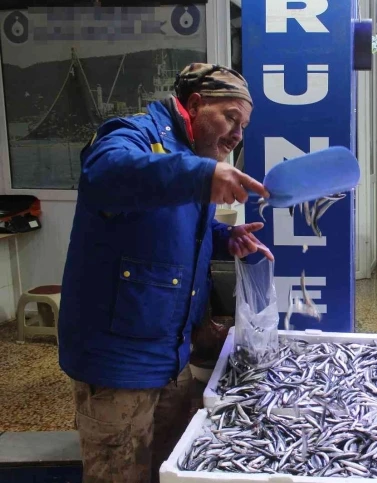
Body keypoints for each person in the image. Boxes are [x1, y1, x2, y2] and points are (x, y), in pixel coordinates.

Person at [57, 63, 273, 483]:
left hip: (172, 357)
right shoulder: (132, 135)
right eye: (231, 118)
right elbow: (104, 175)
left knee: (170, 472)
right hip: (118, 367)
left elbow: (173, 223)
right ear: (195, 104)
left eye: (243, 126)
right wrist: (204, 174)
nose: (237, 135)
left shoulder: (194, 156)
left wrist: (224, 235)